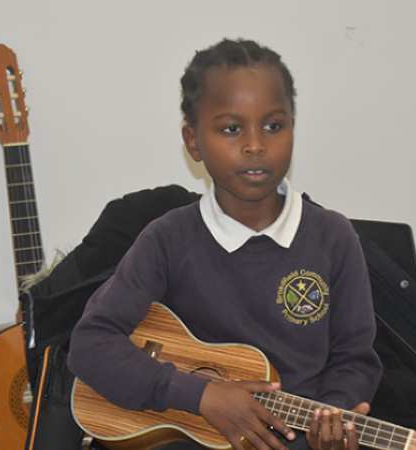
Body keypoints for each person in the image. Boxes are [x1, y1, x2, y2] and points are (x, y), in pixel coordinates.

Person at [68, 38, 382, 450]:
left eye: (274, 126)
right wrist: (199, 395)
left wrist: (333, 415)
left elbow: (354, 358)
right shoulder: (168, 238)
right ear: (193, 142)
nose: (255, 145)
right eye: (231, 129)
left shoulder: (332, 237)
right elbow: (90, 345)